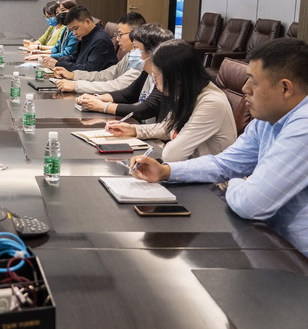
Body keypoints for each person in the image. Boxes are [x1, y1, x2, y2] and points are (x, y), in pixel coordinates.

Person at [130, 38, 308, 256]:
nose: (245, 88)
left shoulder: (303, 126)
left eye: (253, 82)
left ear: (285, 88)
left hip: (296, 256)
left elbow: (250, 204)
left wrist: (237, 181)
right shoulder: (268, 120)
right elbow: (223, 163)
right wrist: (166, 171)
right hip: (268, 240)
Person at [107, 40, 236, 162]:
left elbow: (172, 155)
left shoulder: (212, 103)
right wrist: (133, 130)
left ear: (177, 78)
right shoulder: (187, 91)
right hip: (189, 168)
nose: (154, 82)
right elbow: (167, 127)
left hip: (212, 177)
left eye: (157, 77)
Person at [77, 24, 173, 122]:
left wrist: (103, 107)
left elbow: (143, 110)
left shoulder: (164, 79)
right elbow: (127, 94)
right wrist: (97, 98)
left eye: (135, 47)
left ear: (152, 50)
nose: (132, 52)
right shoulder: (146, 73)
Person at [54, 12, 146, 94]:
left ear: (135, 34)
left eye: (120, 34)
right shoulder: (130, 54)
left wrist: (76, 85)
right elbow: (105, 75)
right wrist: (74, 75)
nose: (117, 39)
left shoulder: (142, 59)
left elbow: (117, 85)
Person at [42, 5, 117, 72]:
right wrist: (56, 59)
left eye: (75, 28)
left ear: (87, 22)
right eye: (71, 30)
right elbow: (74, 57)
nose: (74, 33)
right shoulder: (85, 36)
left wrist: (59, 64)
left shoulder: (100, 41)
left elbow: (89, 69)